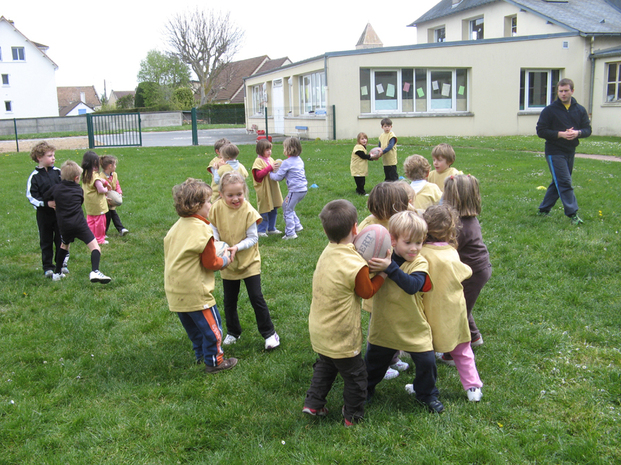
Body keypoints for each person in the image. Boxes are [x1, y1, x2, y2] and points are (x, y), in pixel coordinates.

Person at [303, 199, 385, 426]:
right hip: (341, 334)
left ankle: (313, 403)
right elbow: (367, 292)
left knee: (326, 365)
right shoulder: (355, 264)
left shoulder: (328, 252)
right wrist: (384, 274)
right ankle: (353, 416)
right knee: (356, 376)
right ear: (355, 228)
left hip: (320, 328)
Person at [365, 210, 444, 413]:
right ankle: (364, 391)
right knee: (372, 366)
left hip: (413, 326)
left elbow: (412, 285)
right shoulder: (381, 257)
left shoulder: (419, 262)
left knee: (427, 363)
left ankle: (426, 394)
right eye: (408, 242)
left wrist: (390, 267)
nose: (414, 248)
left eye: (419, 242)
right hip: (385, 326)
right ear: (393, 240)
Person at [163, 178, 237, 374]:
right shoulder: (203, 231)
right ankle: (215, 362)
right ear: (197, 206)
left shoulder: (176, 227)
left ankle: (200, 355)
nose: (211, 205)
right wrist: (226, 260)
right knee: (214, 330)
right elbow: (211, 263)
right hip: (195, 290)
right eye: (208, 202)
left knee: (194, 328)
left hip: (175, 289)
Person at [209, 171, 280, 350]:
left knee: (256, 297)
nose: (235, 199)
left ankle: (270, 334)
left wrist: (236, 247)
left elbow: (252, 238)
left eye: (239, 194)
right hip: (228, 262)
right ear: (222, 194)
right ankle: (233, 332)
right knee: (229, 301)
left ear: (244, 192)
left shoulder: (248, 210)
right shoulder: (216, 208)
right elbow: (213, 227)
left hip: (249, 262)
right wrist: (217, 243)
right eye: (230, 195)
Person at [421, 205, 483, 402]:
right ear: (451, 230)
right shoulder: (451, 252)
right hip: (453, 309)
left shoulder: (421, 253)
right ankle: (473, 387)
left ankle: (423, 386)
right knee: (463, 350)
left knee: (425, 353)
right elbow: (465, 272)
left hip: (429, 310)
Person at [358, 182, 411, 380]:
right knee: (378, 326)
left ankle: (393, 357)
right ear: (394, 206)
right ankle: (375, 362)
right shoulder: (370, 226)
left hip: (394, 283)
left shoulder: (400, 221)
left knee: (393, 322)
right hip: (377, 284)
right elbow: (358, 251)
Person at [442, 174, 491, 356]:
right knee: (462, 304)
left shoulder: (460, 226)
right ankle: (475, 336)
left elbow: (445, 248)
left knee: (457, 312)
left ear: (454, 197)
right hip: (473, 270)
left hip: (473, 273)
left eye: (445, 193)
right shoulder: (464, 220)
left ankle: (451, 354)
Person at [536, 78, 591, 225]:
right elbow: (541, 131)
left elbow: (588, 130)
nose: (563, 94)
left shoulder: (580, 110)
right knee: (565, 181)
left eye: (566, 91)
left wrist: (577, 133)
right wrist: (561, 134)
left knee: (558, 181)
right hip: (554, 151)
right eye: (561, 91)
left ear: (572, 91)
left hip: (570, 150)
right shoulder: (550, 110)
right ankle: (573, 214)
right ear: (557, 92)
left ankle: (543, 209)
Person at [50, 161, 111, 284]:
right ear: (76, 178)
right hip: (79, 224)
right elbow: (79, 202)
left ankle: (57, 273)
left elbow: (48, 198)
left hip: (64, 225)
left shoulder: (55, 189)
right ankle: (95, 271)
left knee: (64, 245)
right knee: (95, 247)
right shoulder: (78, 190)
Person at [26, 141, 67, 278]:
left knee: (61, 239)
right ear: (39, 157)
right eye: (50, 155)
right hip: (44, 215)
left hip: (59, 214)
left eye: (54, 155)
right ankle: (48, 267)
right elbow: (31, 197)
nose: (53, 158)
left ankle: (61, 265)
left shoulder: (58, 173)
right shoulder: (35, 177)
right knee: (46, 240)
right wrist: (46, 203)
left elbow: (65, 188)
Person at [269, 137, 308, 240]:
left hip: (295, 190)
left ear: (288, 149)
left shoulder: (287, 162)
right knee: (287, 206)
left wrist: (270, 173)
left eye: (284, 147)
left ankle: (290, 233)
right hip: (303, 189)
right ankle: (297, 225)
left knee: (287, 210)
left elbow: (278, 177)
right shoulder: (299, 160)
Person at [251, 139, 283, 237]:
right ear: (261, 150)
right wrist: (270, 168)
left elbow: (274, 171)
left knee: (273, 208)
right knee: (264, 209)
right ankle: (261, 230)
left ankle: (271, 228)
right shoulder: (258, 161)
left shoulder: (271, 159)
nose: (269, 151)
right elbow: (258, 175)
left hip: (272, 189)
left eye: (270, 149)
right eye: (267, 150)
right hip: (264, 190)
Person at [81, 151, 110, 245]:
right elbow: (100, 189)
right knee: (100, 222)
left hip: (89, 203)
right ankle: (100, 239)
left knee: (91, 220)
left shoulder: (86, 173)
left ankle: (90, 237)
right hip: (98, 204)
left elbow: (96, 180)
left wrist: (104, 181)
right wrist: (106, 189)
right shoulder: (95, 176)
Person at [101, 155, 129, 237]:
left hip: (111, 199)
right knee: (107, 216)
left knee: (112, 213)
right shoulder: (100, 177)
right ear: (110, 166)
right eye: (115, 165)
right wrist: (106, 198)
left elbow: (117, 184)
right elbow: (99, 190)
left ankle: (121, 229)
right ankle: (104, 232)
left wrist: (119, 192)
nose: (116, 166)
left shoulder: (114, 175)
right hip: (104, 200)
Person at [207, 138, 230, 203]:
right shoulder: (214, 162)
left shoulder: (230, 160)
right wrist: (221, 167)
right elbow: (217, 176)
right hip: (217, 192)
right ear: (217, 152)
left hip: (229, 191)